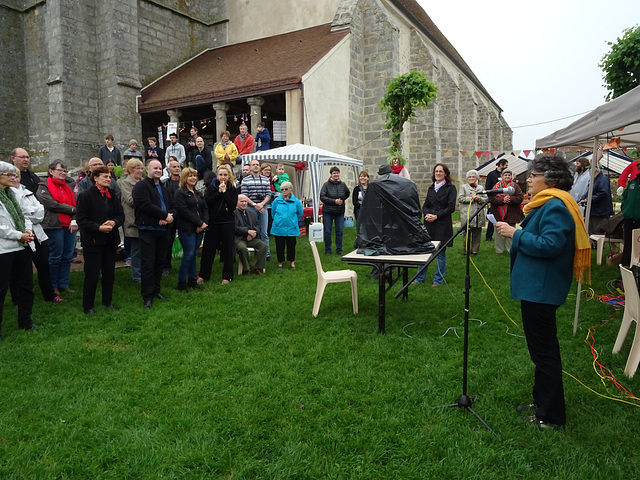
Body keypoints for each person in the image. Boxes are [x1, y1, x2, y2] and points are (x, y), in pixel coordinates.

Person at [496, 153, 590, 430]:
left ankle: (551, 416)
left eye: (533, 175)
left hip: (542, 290)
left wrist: (515, 234)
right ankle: (541, 403)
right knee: (540, 351)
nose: (528, 180)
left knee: (545, 353)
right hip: (536, 288)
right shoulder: (547, 204)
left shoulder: (557, 206)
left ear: (548, 178)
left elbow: (550, 245)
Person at [11, 148, 62, 303]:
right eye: (22, 157)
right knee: (19, 269)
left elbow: (40, 208)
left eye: (27, 157)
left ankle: (49, 294)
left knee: (44, 263)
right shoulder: (8, 187)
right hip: (19, 232)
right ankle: (18, 299)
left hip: (37, 230)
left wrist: (32, 213)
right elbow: (17, 211)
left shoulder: (32, 178)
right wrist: (30, 213)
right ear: (13, 158)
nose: (26, 159)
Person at [76, 166, 124, 314]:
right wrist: (98, 228)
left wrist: (114, 222)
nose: (108, 179)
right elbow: (81, 220)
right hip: (93, 241)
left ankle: (107, 301)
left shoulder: (112, 195)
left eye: (109, 177)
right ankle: (88, 306)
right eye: (105, 177)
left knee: (109, 273)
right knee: (92, 274)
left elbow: (121, 215)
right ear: (95, 178)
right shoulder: (86, 196)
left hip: (110, 241)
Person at [0, 161, 38, 340]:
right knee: (1, 289)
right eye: (9, 175)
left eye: (14, 175)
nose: (13, 177)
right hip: (4, 249)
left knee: (25, 285)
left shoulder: (11, 194)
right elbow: (2, 227)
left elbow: (23, 215)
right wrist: (18, 234)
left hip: (21, 246)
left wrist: (28, 231)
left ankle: (26, 320)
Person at [132, 159, 174, 309]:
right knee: (148, 264)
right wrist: (163, 216)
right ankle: (147, 296)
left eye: (160, 168)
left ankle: (157, 290)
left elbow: (173, 206)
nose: (158, 170)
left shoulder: (164, 187)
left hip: (164, 230)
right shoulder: (141, 187)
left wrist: (169, 216)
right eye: (155, 168)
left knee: (159, 263)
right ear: (147, 170)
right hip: (148, 229)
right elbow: (145, 205)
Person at [36, 160, 78, 295]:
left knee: (67, 256)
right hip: (53, 225)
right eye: (60, 170)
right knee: (55, 256)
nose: (63, 173)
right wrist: (72, 209)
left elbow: (76, 204)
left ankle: (63, 284)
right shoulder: (43, 186)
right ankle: (52, 285)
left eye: (65, 171)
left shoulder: (69, 185)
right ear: (51, 171)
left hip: (69, 225)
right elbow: (51, 205)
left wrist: (74, 218)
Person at [414, 163, 456, 286]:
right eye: (436, 171)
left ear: (445, 174)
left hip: (442, 224)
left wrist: (436, 216)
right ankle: (419, 277)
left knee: (440, 253)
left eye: (440, 171)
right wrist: (427, 214)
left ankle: (438, 280)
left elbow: (451, 207)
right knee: (424, 252)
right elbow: (425, 205)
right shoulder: (431, 188)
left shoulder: (450, 188)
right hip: (429, 224)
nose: (438, 173)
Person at [199, 165, 238, 284]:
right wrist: (218, 193)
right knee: (208, 250)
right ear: (217, 176)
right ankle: (203, 275)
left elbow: (232, 205)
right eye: (220, 175)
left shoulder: (233, 189)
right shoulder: (211, 188)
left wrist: (225, 193)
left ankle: (227, 276)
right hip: (213, 222)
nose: (223, 177)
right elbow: (207, 203)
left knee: (227, 250)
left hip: (227, 222)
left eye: (225, 175)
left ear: (229, 176)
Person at [174, 167, 209, 291]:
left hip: (199, 229)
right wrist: (199, 223)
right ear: (184, 178)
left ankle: (193, 281)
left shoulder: (198, 193)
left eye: (194, 175)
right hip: (187, 228)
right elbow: (184, 211)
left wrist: (204, 223)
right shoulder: (180, 193)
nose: (193, 178)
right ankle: (181, 282)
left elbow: (205, 208)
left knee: (193, 254)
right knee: (188, 254)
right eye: (190, 176)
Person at [118, 158, 144, 282]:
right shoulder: (125, 183)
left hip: (146, 220)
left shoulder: (144, 182)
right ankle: (137, 275)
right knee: (136, 250)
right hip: (133, 221)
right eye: (136, 168)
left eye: (140, 168)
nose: (140, 170)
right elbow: (131, 200)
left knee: (145, 249)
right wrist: (147, 200)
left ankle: (145, 273)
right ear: (130, 170)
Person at [241, 159, 273, 259]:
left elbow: (269, 194)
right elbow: (244, 196)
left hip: (263, 208)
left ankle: (266, 254)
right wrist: (255, 204)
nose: (255, 166)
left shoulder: (265, 179)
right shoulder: (245, 180)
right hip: (250, 208)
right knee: (250, 231)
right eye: (253, 164)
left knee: (264, 232)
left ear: (259, 167)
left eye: (257, 165)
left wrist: (262, 203)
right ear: (250, 167)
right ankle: (248, 253)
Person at [489, 169, 523, 254]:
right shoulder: (496, 187)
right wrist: (502, 200)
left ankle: (510, 250)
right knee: (498, 232)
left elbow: (520, 197)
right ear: (502, 177)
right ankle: (499, 250)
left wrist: (510, 199)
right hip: (498, 214)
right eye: (505, 175)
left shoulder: (515, 187)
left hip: (511, 214)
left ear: (511, 176)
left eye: (509, 175)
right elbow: (492, 198)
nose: (507, 176)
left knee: (510, 233)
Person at [270, 181, 303, 269]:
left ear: (291, 190)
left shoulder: (296, 202)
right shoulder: (276, 201)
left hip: (291, 227)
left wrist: (293, 221)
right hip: (279, 227)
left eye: (286, 189)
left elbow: (300, 214)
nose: (284, 191)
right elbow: (273, 213)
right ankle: (280, 262)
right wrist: (278, 221)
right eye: (282, 189)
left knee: (291, 245)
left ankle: (292, 262)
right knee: (279, 245)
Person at [234, 194, 268, 275]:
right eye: (241, 201)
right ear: (237, 203)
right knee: (242, 248)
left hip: (251, 238)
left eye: (245, 201)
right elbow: (235, 228)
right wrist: (247, 232)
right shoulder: (233, 214)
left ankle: (258, 268)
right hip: (239, 238)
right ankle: (246, 269)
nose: (244, 203)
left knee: (263, 246)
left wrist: (254, 233)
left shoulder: (251, 213)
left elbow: (258, 225)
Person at [320, 166, 350, 255]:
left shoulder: (343, 184)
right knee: (327, 231)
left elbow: (347, 193)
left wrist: (341, 200)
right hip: (328, 212)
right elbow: (322, 197)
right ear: (331, 174)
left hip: (339, 212)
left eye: (337, 173)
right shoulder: (326, 185)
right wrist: (334, 201)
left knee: (340, 231)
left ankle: (339, 249)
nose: (336, 174)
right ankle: (328, 249)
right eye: (334, 173)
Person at [458, 169, 486, 255]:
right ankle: (466, 250)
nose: (471, 178)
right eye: (469, 177)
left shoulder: (481, 188)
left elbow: (486, 199)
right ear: (467, 178)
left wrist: (480, 199)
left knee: (477, 233)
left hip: (478, 214)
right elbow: (460, 198)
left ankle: (475, 250)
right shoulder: (463, 187)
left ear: (477, 178)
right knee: (467, 233)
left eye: (473, 176)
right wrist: (472, 199)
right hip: (467, 214)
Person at [161, 157, 181, 276]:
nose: (177, 168)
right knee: (168, 242)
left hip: (183, 216)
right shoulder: (165, 184)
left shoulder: (184, 183)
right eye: (174, 167)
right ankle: (166, 266)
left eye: (178, 166)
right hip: (170, 216)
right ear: (168, 170)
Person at [485, 158, 508, 241]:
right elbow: (488, 187)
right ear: (501, 165)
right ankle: (488, 237)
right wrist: (491, 199)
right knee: (492, 218)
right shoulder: (492, 174)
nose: (506, 167)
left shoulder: (505, 175)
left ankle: (502, 236)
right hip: (494, 200)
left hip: (504, 200)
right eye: (505, 165)